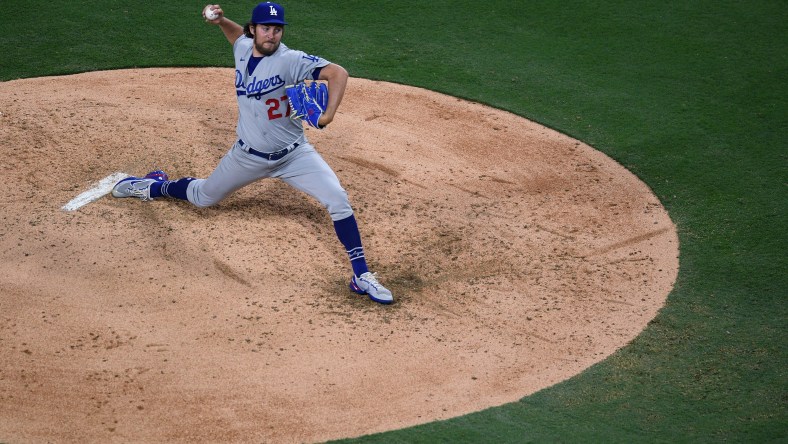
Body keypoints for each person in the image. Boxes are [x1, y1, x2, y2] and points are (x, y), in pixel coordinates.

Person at [112, 2, 393, 304]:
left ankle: (362, 275)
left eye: (277, 29)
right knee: (203, 197)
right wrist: (221, 21)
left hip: (295, 156)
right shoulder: (243, 48)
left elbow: (338, 73)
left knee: (338, 198)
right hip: (246, 156)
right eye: (265, 28)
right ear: (253, 30)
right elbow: (236, 37)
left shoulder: (291, 60)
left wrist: (328, 115)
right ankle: (153, 186)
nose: (272, 35)